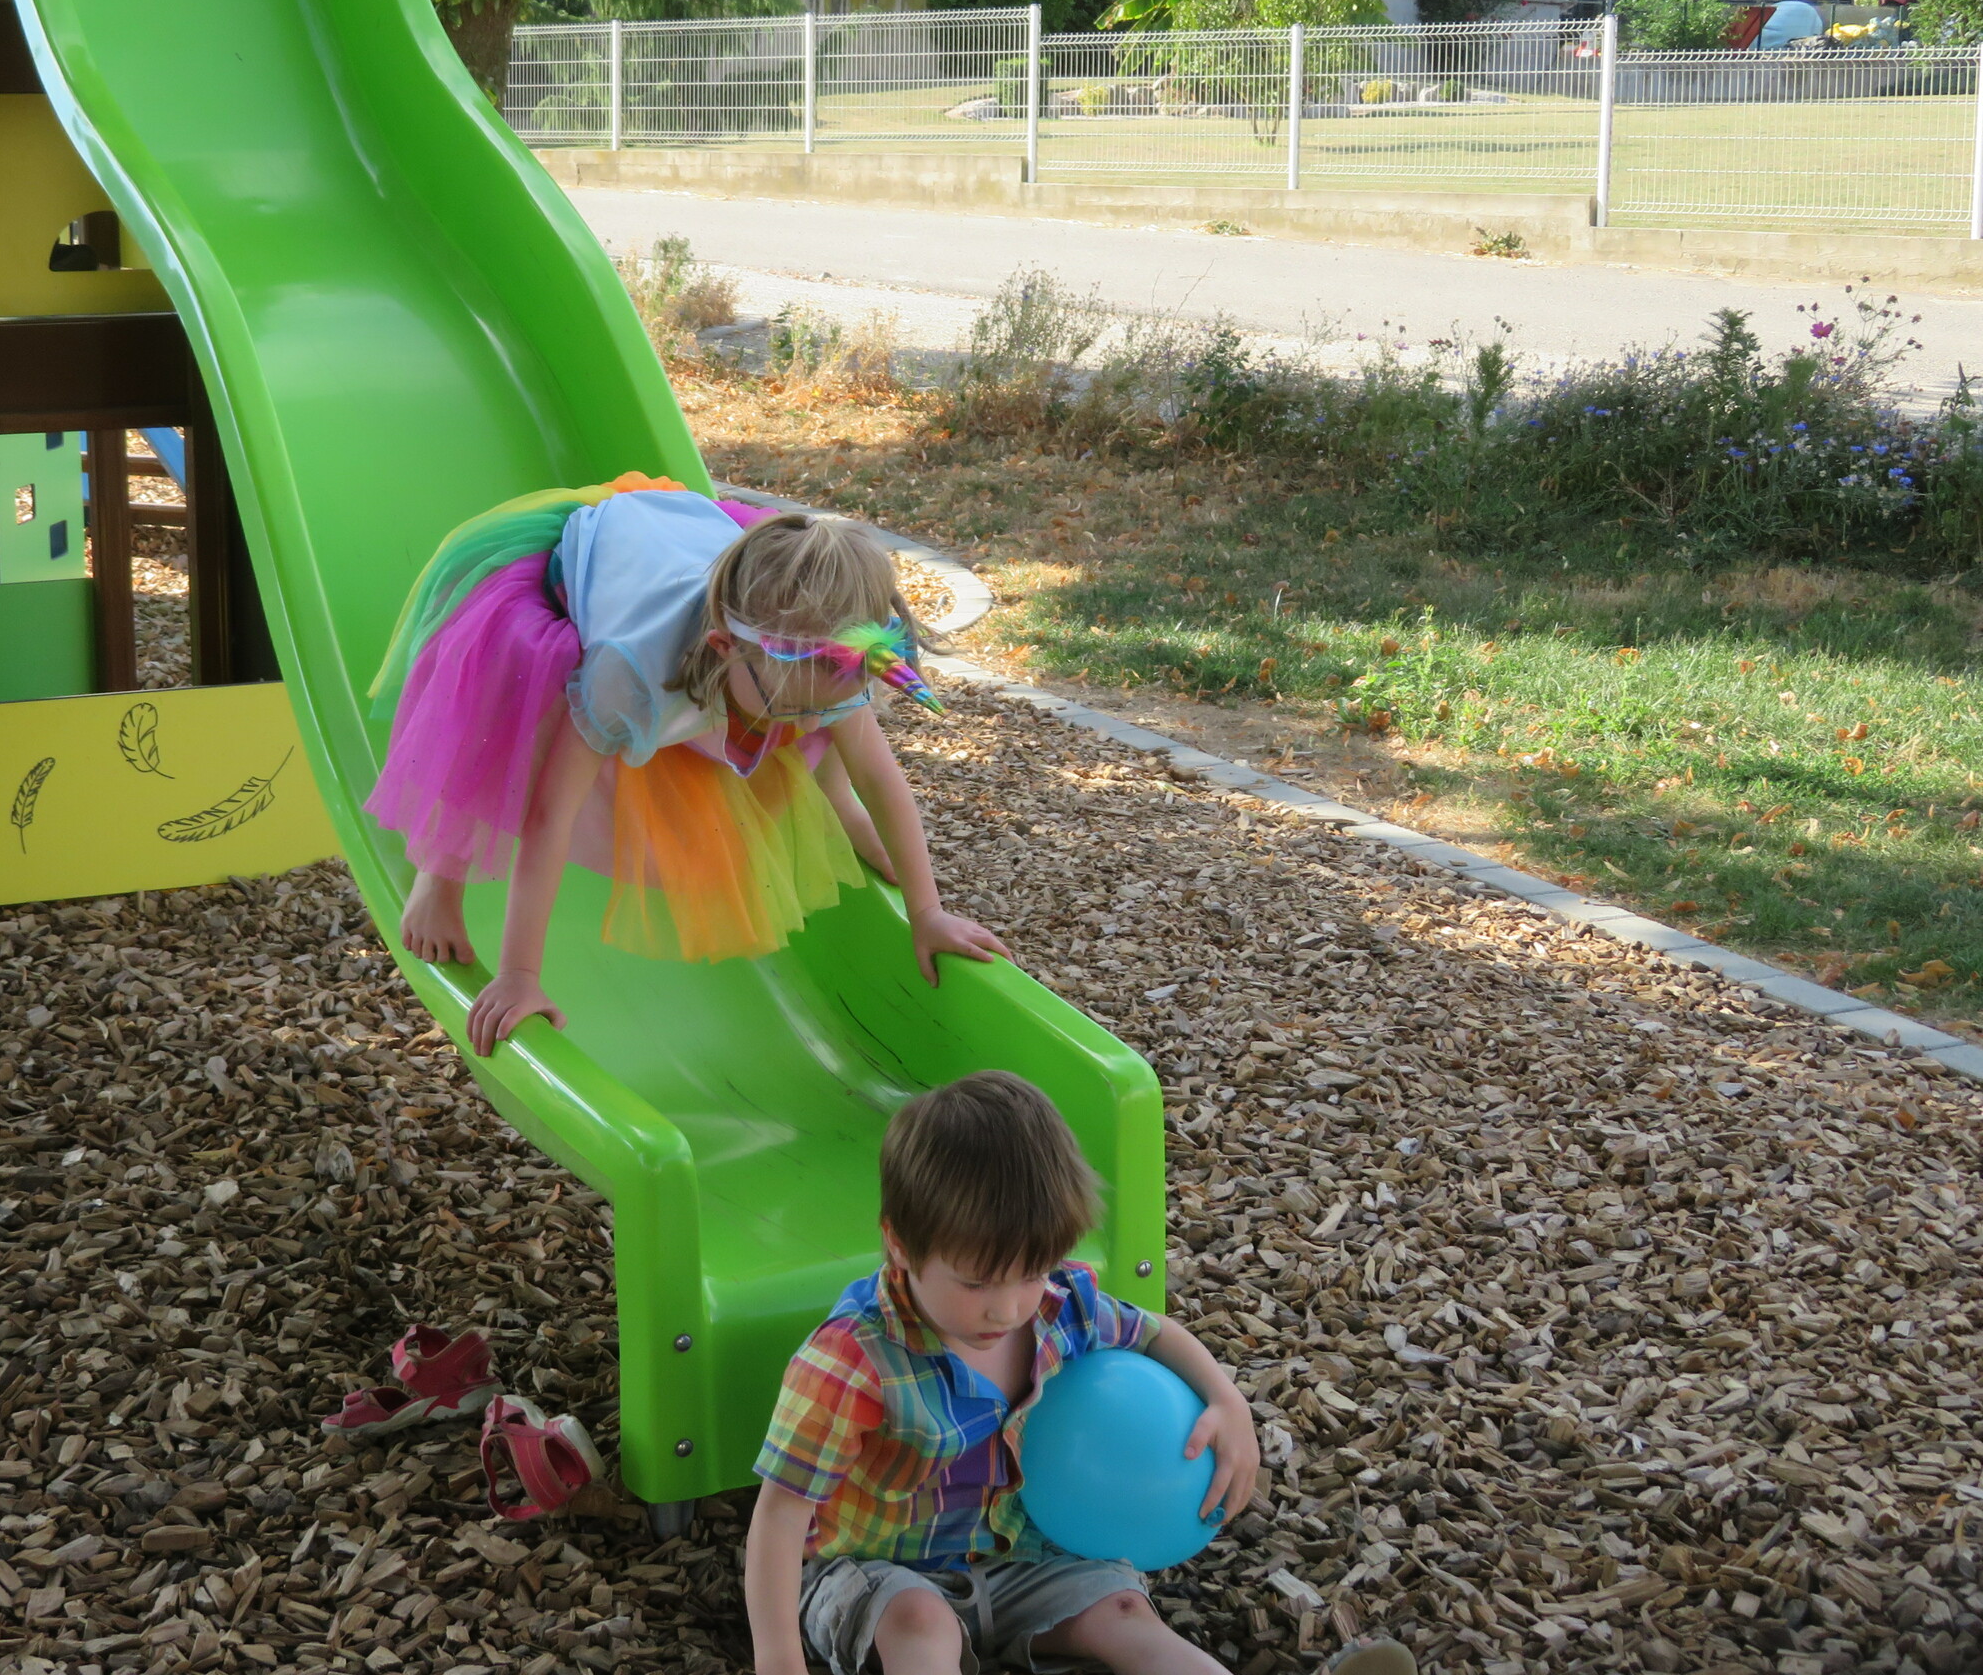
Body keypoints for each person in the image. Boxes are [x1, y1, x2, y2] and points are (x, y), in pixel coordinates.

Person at [746, 1072, 1416, 1675]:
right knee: (920, 1625)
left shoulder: (1059, 1304)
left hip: (1028, 1559)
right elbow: (780, 1514)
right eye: (976, 1283)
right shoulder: (853, 1361)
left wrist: (1225, 1399)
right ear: (898, 1243)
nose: (1008, 1308)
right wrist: (778, 1660)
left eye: (1030, 1273)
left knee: (1123, 1609)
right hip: (879, 1575)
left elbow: (1155, 1331)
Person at [365, 475, 1005, 1054]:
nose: (809, 725)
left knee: (838, 723)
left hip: (689, 541)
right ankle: (438, 877)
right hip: (592, 564)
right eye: (795, 707)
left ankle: (839, 806)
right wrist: (519, 975)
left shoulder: (828, 662)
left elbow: (880, 776)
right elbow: (549, 816)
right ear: (724, 648)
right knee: (512, 710)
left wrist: (927, 912)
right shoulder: (629, 675)